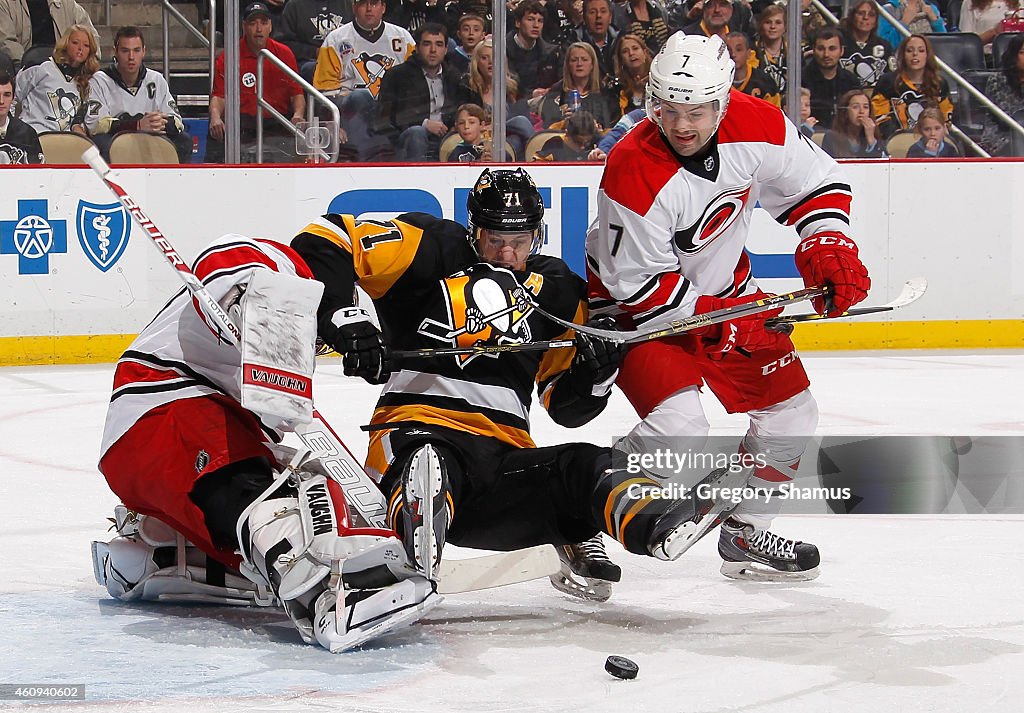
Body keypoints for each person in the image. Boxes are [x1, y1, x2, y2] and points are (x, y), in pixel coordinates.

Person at [291, 167, 741, 602]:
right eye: (496, 240)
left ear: (537, 235)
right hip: (416, 431)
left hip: (502, 464)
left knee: (583, 466)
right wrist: (342, 317)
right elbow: (325, 238)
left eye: (518, 242)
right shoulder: (430, 248)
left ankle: (652, 524)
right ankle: (417, 531)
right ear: (474, 231)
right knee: (429, 463)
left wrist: (596, 373)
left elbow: (566, 409)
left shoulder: (559, 290)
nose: (506, 253)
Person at [586, 34, 871, 581]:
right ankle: (579, 508)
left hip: (725, 295)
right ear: (654, 103)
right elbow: (636, 289)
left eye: (697, 110)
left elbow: (817, 182)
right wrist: (727, 322)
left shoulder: (756, 122)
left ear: (722, 101)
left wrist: (826, 242)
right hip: (640, 315)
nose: (683, 125)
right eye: (670, 110)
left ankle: (744, 529)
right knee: (681, 430)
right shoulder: (632, 170)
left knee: (793, 414)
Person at [92, 230, 439, 653]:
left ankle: (159, 555)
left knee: (290, 496)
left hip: (156, 451)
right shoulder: (280, 266)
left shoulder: (272, 364)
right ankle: (332, 590)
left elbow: (270, 418)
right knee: (270, 502)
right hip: (162, 404)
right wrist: (243, 304)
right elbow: (223, 260)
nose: (319, 343)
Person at [314, 0, 415, 161]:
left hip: (391, 110)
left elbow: (414, 82)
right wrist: (334, 123)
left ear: (383, 7)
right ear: (354, 7)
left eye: (374, 3)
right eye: (363, 4)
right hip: (351, 110)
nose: (369, 9)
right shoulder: (336, 39)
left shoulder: (403, 38)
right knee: (361, 96)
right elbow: (325, 90)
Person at [207, 2, 305, 163]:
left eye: (264, 23)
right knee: (216, 130)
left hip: (277, 122)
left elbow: (297, 93)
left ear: (271, 26)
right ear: (244, 26)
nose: (259, 29)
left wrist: (298, 115)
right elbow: (219, 97)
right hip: (242, 123)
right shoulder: (230, 55)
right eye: (253, 24)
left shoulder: (284, 54)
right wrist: (216, 117)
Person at [84, 26, 191, 163]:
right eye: (125, 51)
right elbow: (96, 125)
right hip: (116, 138)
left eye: (136, 50)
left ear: (144, 51)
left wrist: (160, 122)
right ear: (115, 51)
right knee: (100, 143)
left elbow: (177, 122)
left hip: (152, 136)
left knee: (184, 141)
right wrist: (137, 125)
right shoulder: (100, 80)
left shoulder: (156, 79)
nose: (131, 57)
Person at [375, 22, 466, 161]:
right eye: (427, 44)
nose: (433, 50)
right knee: (417, 132)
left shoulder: (454, 77)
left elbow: (463, 108)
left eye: (439, 44)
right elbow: (387, 118)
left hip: (445, 138)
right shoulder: (397, 75)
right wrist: (424, 124)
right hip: (407, 139)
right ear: (417, 48)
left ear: (446, 49)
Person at [13, 23, 98, 133]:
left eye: (86, 45)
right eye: (75, 43)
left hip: (66, 140)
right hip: (33, 135)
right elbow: (11, 96)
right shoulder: (41, 67)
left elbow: (84, 117)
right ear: (65, 44)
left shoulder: (88, 80)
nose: (80, 48)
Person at [462, 37, 535, 158]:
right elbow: (464, 118)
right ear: (477, 63)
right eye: (484, 58)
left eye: (494, 57)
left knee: (519, 129)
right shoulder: (468, 88)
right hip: (480, 136)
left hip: (507, 134)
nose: (491, 62)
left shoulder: (512, 86)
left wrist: (497, 126)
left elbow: (523, 116)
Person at [871, 34, 953, 139]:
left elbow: (945, 118)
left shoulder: (939, 83)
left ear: (927, 55)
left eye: (921, 50)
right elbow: (879, 117)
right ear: (903, 55)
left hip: (932, 139)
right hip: (896, 141)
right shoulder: (887, 81)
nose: (915, 54)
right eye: (909, 50)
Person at [539, 41, 618, 130]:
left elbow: (608, 126)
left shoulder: (604, 92)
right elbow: (548, 126)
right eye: (574, 60)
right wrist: (564, 123)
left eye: (584, 59)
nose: (579, 64)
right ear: (568, 65)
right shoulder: (557, 91)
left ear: (592, 65)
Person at [0, 0, 99, 69]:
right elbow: (7, 41)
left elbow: (91, 36)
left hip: (66, 69)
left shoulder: (67, 4)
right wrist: (27, 66)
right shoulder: (5, 4)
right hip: (27, 69)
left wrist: (90, 61)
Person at [272, 0, 350, 81]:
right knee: (313, 68)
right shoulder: (294, 5)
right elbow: (283, 44)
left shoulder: (348, 4)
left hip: (345, 59)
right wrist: (314, 52)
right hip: (309, 62)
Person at [801, 27, 861, 130]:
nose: (826, 54)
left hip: (844, 137)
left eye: (832, 48)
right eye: (821, 49)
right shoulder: (800, 80)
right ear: (813, 50)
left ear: (841, 51)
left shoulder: (851, 81)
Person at [506, 0, 561, 99]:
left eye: (540, 21)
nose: (536, 25)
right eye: (530, 19)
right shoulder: (503, 50)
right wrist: (530, 94)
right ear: (518, 23)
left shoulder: (550, 52)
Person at [980, 33, 1024, 156]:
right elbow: (1007, 117)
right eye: (1023, 53)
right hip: (1001, 135)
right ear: (1014, 56)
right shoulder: (998, 80)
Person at [838, 0, 896, 91]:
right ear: (852, 16)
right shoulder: (838, 42)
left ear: (876, 20)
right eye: (861, 13)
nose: (865, 17)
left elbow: (893, 77)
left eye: (871, 15)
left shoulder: (884, 46)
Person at [821, 88, 886, 157]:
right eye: (855, 107)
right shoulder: (831, 137)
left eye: (866, 107)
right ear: (845, 112)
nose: (861, 111)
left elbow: (884, 165)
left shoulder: (874, 136)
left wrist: (871, 139)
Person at [726, 31, 780, 107]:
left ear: (748, 54)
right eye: (728, 50)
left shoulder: (766, 83)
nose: (733, 54)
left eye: (739, 49)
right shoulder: (717, 83)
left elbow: (774, 114)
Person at [0, 70, 43, 163]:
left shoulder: (27, 133)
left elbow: (38, 172)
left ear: (13, 97)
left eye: (7, 95)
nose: (1, 101)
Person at [574, 0, 619, 86]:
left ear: (610, 17)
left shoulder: (621, 40)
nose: (598, 16)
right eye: (592, 12)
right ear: (584, 18)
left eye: (603, 11)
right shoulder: (573, 42)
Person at [531, 108, 599, 158]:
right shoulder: (554, 145)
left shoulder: (597, 142)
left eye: (587, 143)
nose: (582, 147)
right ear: (567, 134)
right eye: (578, 142)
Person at [877, 0, 946, 49]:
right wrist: (905, 22)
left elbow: (944, 44)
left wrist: (935, 21)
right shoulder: (888, 10)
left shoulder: (931, 9)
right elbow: (884, 45)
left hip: (929, 62)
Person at [612, 32, 652, 115]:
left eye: (635, 48)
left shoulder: (658, 81)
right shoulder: (617, 89)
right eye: (625, 51)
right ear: (621, 59)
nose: (631, 53)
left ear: (645, 53)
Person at [751, 4, 787, 94]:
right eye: (768, 22)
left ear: (785, 26)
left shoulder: (794, 51)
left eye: (778, 22)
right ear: (761, 25)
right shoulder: (752, 50)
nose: (773, 26)